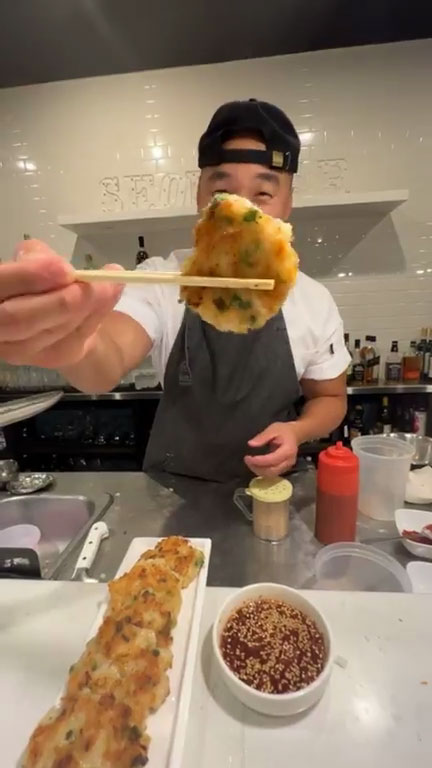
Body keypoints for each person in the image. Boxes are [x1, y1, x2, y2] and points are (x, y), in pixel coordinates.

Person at [0, 99, 349, 482]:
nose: (240, 211)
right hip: (175, 493)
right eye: (222, 192)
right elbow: (107, 359)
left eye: (263, 194)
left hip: (270, 492)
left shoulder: (313, 300)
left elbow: (330, 398)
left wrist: (297, 431)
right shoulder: (164, 280)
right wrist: (71, 341)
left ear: (288, 203)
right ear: (200, 197)